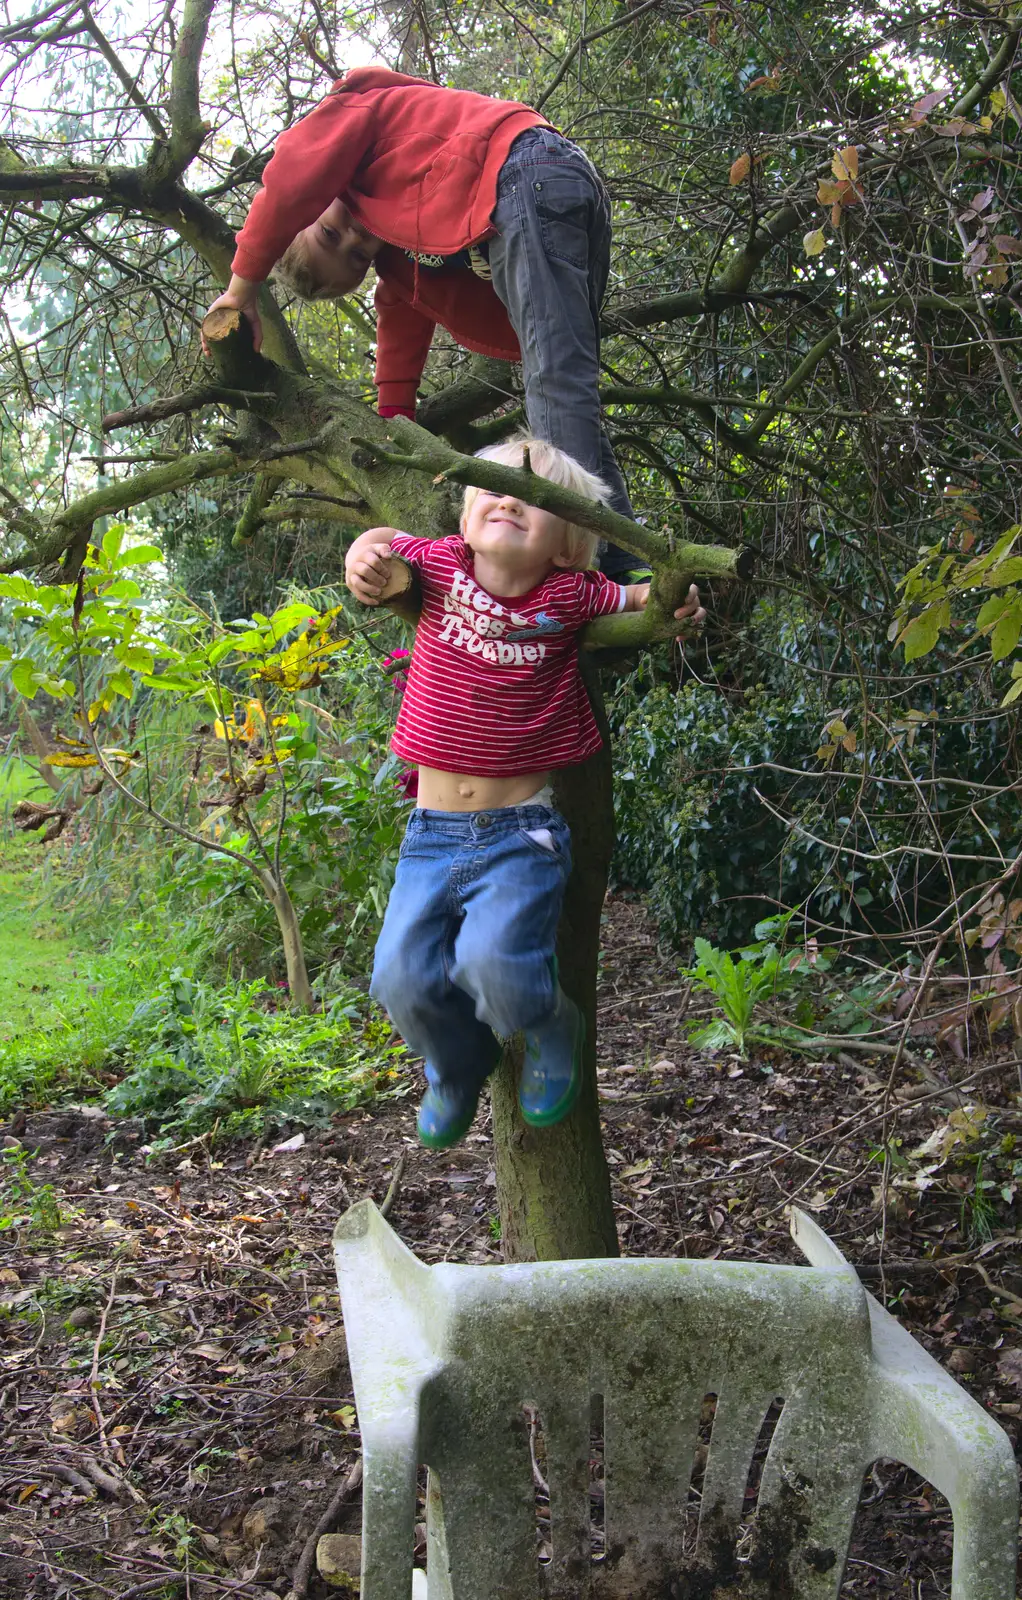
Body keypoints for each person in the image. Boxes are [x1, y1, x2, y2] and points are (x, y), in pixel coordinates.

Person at [204, 65, 648, 581]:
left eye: (327, 233)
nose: (352, 239)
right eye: (352, 259)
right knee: (564, 387)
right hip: (565, 189)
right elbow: (400, 318)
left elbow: (290, 181)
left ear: (308, 210)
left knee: (554, 380)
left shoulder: (353, 117)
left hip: (528, 169)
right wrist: (397, 424)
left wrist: (242, 290)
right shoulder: (400, 246)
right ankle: (626, 566)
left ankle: (569, 580)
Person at [343, 437, 659, 1149]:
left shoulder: (570, 595)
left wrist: (675, 600)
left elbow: (641, 596)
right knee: (399, 979)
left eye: (535, 497)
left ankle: (552, 1023)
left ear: (570, 545)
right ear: (465, 513)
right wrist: (362, 553)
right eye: (492, 485)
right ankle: (458, 1066)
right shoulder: (437, 566)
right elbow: (383, 542)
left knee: (492, 965)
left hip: (518, 835)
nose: (509, 498)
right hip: (429, 838)